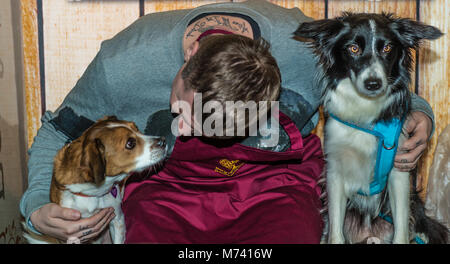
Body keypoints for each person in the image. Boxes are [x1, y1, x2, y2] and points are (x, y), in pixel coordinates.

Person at [20, 0, 435, 243]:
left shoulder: (309, 50)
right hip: (169, 187)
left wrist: (420, 114)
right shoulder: (123, 63)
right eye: (184, 115)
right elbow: (57, 133)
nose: (185, 131)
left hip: (273, 183)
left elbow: (382, 79)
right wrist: (37, 204)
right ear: (185, 66)